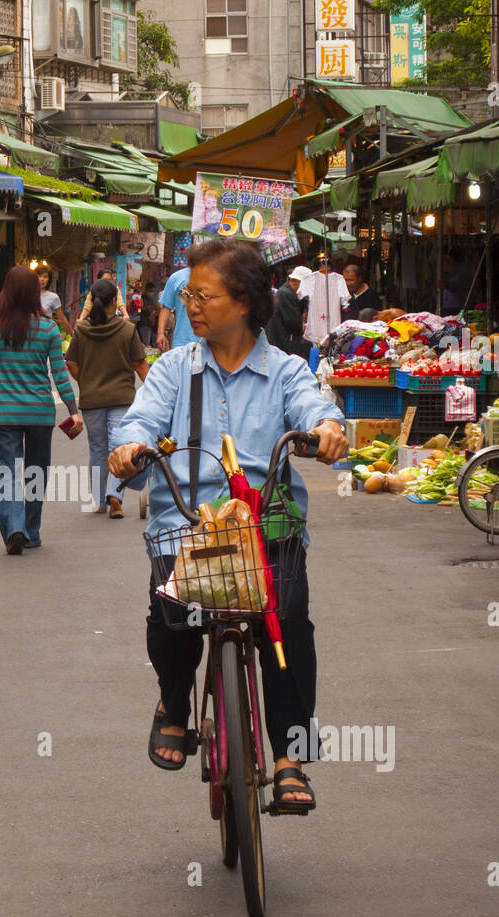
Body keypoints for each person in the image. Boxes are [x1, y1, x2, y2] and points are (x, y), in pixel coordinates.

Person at [108, 239, 347, 812]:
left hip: (268, 527)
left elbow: (317, 410)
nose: (191, 305)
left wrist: (329, 430)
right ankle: (173, 704)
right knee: (173, 620)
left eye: (203, 295)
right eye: (188, 294)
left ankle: (289, 759)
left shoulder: (286, 370)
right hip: (187, 525)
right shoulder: (173, 368)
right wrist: (130, 446)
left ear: (242, 302)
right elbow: (138, 419)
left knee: (287, 623)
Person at [0, 265, 82, 553]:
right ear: (34, 293)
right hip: (40, 413)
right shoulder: (49, 328)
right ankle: (31, 530)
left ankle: (14, 527)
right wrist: (72, 409)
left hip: (6, 412)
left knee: (8, 472)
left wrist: (2, 393)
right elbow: (60, 374)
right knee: (36, 471)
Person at [65, 278, 149, 518]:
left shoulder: (82, 330)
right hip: (122, 398)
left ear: (92, 300)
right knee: (119, 446)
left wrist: (86, 381)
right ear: (115, 300)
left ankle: (99, 500)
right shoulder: (127, 329)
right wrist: (157, 391)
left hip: (92, 399)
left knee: (98, 449)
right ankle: (115, 495)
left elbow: (71, 363)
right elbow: (140, 365)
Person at [297, 254, 350, 348]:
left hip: (332, 319)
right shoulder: (309, 279)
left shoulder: (339, 279)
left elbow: (345, 300)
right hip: (317, 319)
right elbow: (345, 302)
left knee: (331, 347)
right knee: (320, 348)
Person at [266, 265, 311, 356]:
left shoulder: (290, 293)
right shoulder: (285, 294)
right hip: (282, 342)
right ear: (299, 282)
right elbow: (294, 323)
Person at [157, 264, 194, 353]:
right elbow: (166, 306)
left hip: (211, 343)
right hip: (182, 341)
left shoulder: (216, 276)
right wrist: (160, 333)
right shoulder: (177, 277)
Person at [35, 264, 72, 339]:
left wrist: (71, 333)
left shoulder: (53, 297)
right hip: (30, 334)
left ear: (49, 280)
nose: (42, 279)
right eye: (39, 276)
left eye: (45, 277)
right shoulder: (27, 294)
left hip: (46, 334)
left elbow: (61, 319)